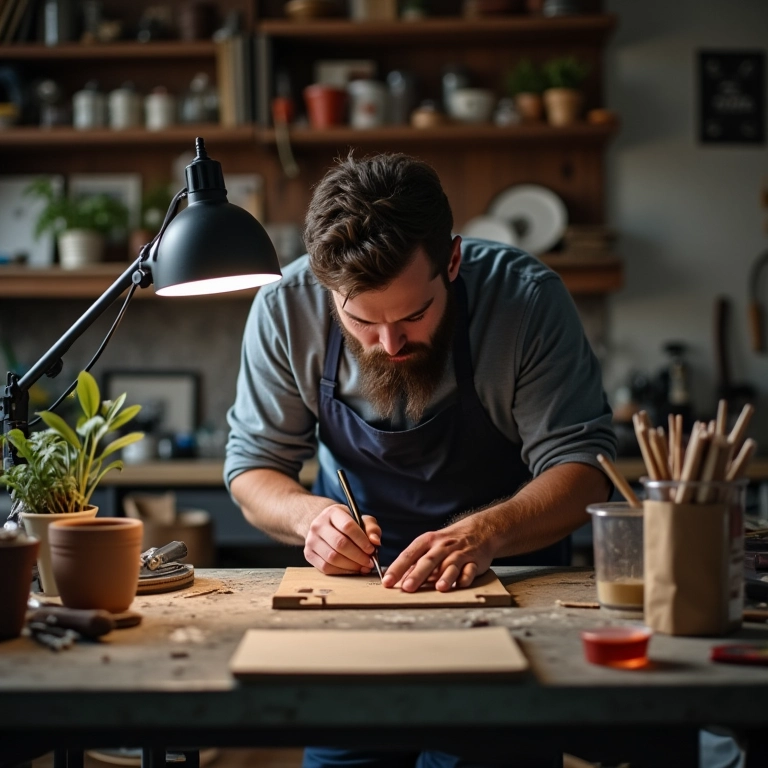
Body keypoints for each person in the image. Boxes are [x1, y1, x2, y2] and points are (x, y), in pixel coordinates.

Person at [225, 152, 616, 768]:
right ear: (327, 287)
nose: (389, 343)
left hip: (506, 593)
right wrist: (309, 520)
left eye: (414, 314)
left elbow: (584, 469)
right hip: (359, 599)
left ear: (451, 262)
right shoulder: (285, 307)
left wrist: (488, 532)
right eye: (361, 319)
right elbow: (252, 468)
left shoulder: (525, 300)